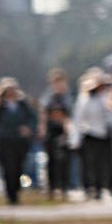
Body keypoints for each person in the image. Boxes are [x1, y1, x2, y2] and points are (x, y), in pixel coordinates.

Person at [0, 78, 38, 204]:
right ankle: (11, 196)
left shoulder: (23, 105)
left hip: (19, 142)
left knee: (18, 168)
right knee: (7, 168)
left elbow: (33, 118)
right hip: (4, 141)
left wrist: (29, 129)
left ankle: (16, 191)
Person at [72, 70, 112, 200]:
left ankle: (106, 186)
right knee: (90, 164)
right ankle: (90, 187)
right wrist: (75, 140)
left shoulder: (106, 97)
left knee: (105, 163)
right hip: (90, 134)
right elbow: (78, 120)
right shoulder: (84, 99)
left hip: (105, 135)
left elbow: (111, 114)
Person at [41, 68, 72, 199]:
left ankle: (64, 187)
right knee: (51, 160)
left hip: (64, 130)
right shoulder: (48, 97)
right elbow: (43, 113)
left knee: (64, 160)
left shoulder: (68, 97)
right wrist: (42, 128)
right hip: (51, 130)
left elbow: (70, 113)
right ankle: (52, 188)